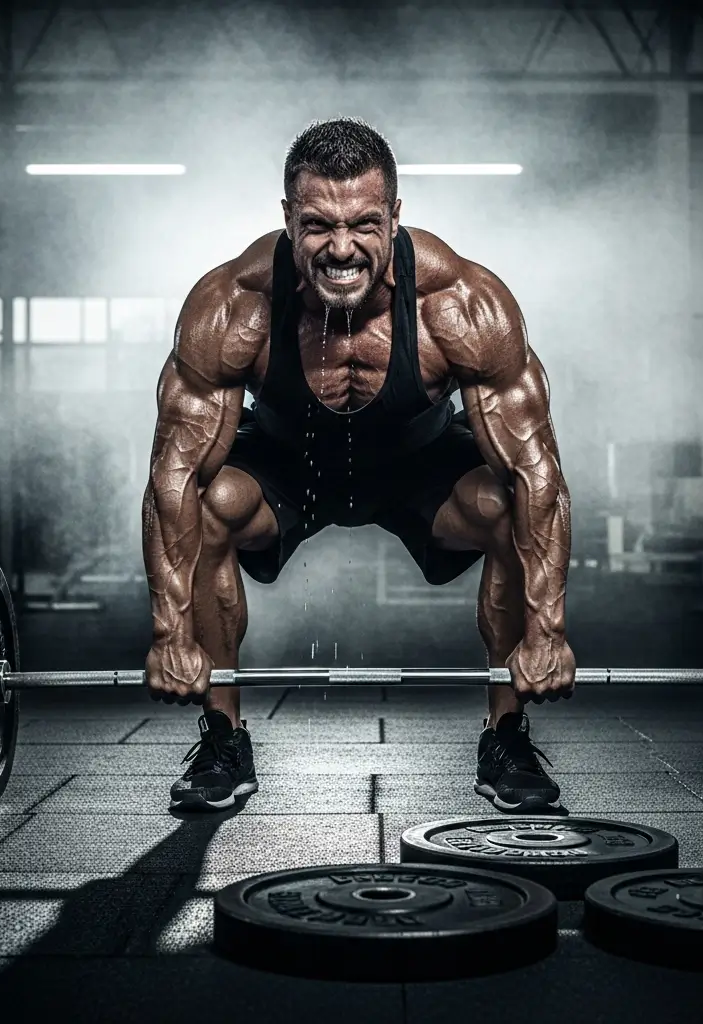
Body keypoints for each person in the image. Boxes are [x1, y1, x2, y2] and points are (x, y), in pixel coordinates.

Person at [143, 118, 574, 813]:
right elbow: (172, 477)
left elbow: (538, 478)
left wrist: (547, 632)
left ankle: (508, 735)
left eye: (364, 224)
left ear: (395, 216)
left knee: (505, 505)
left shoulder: (460, 305)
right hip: (288, 465)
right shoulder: (233, 307)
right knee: (209, 498)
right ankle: (223, 735)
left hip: (419, 468)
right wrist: (170, 634)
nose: (341, 248)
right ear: (287, 218)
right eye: (317, 225)